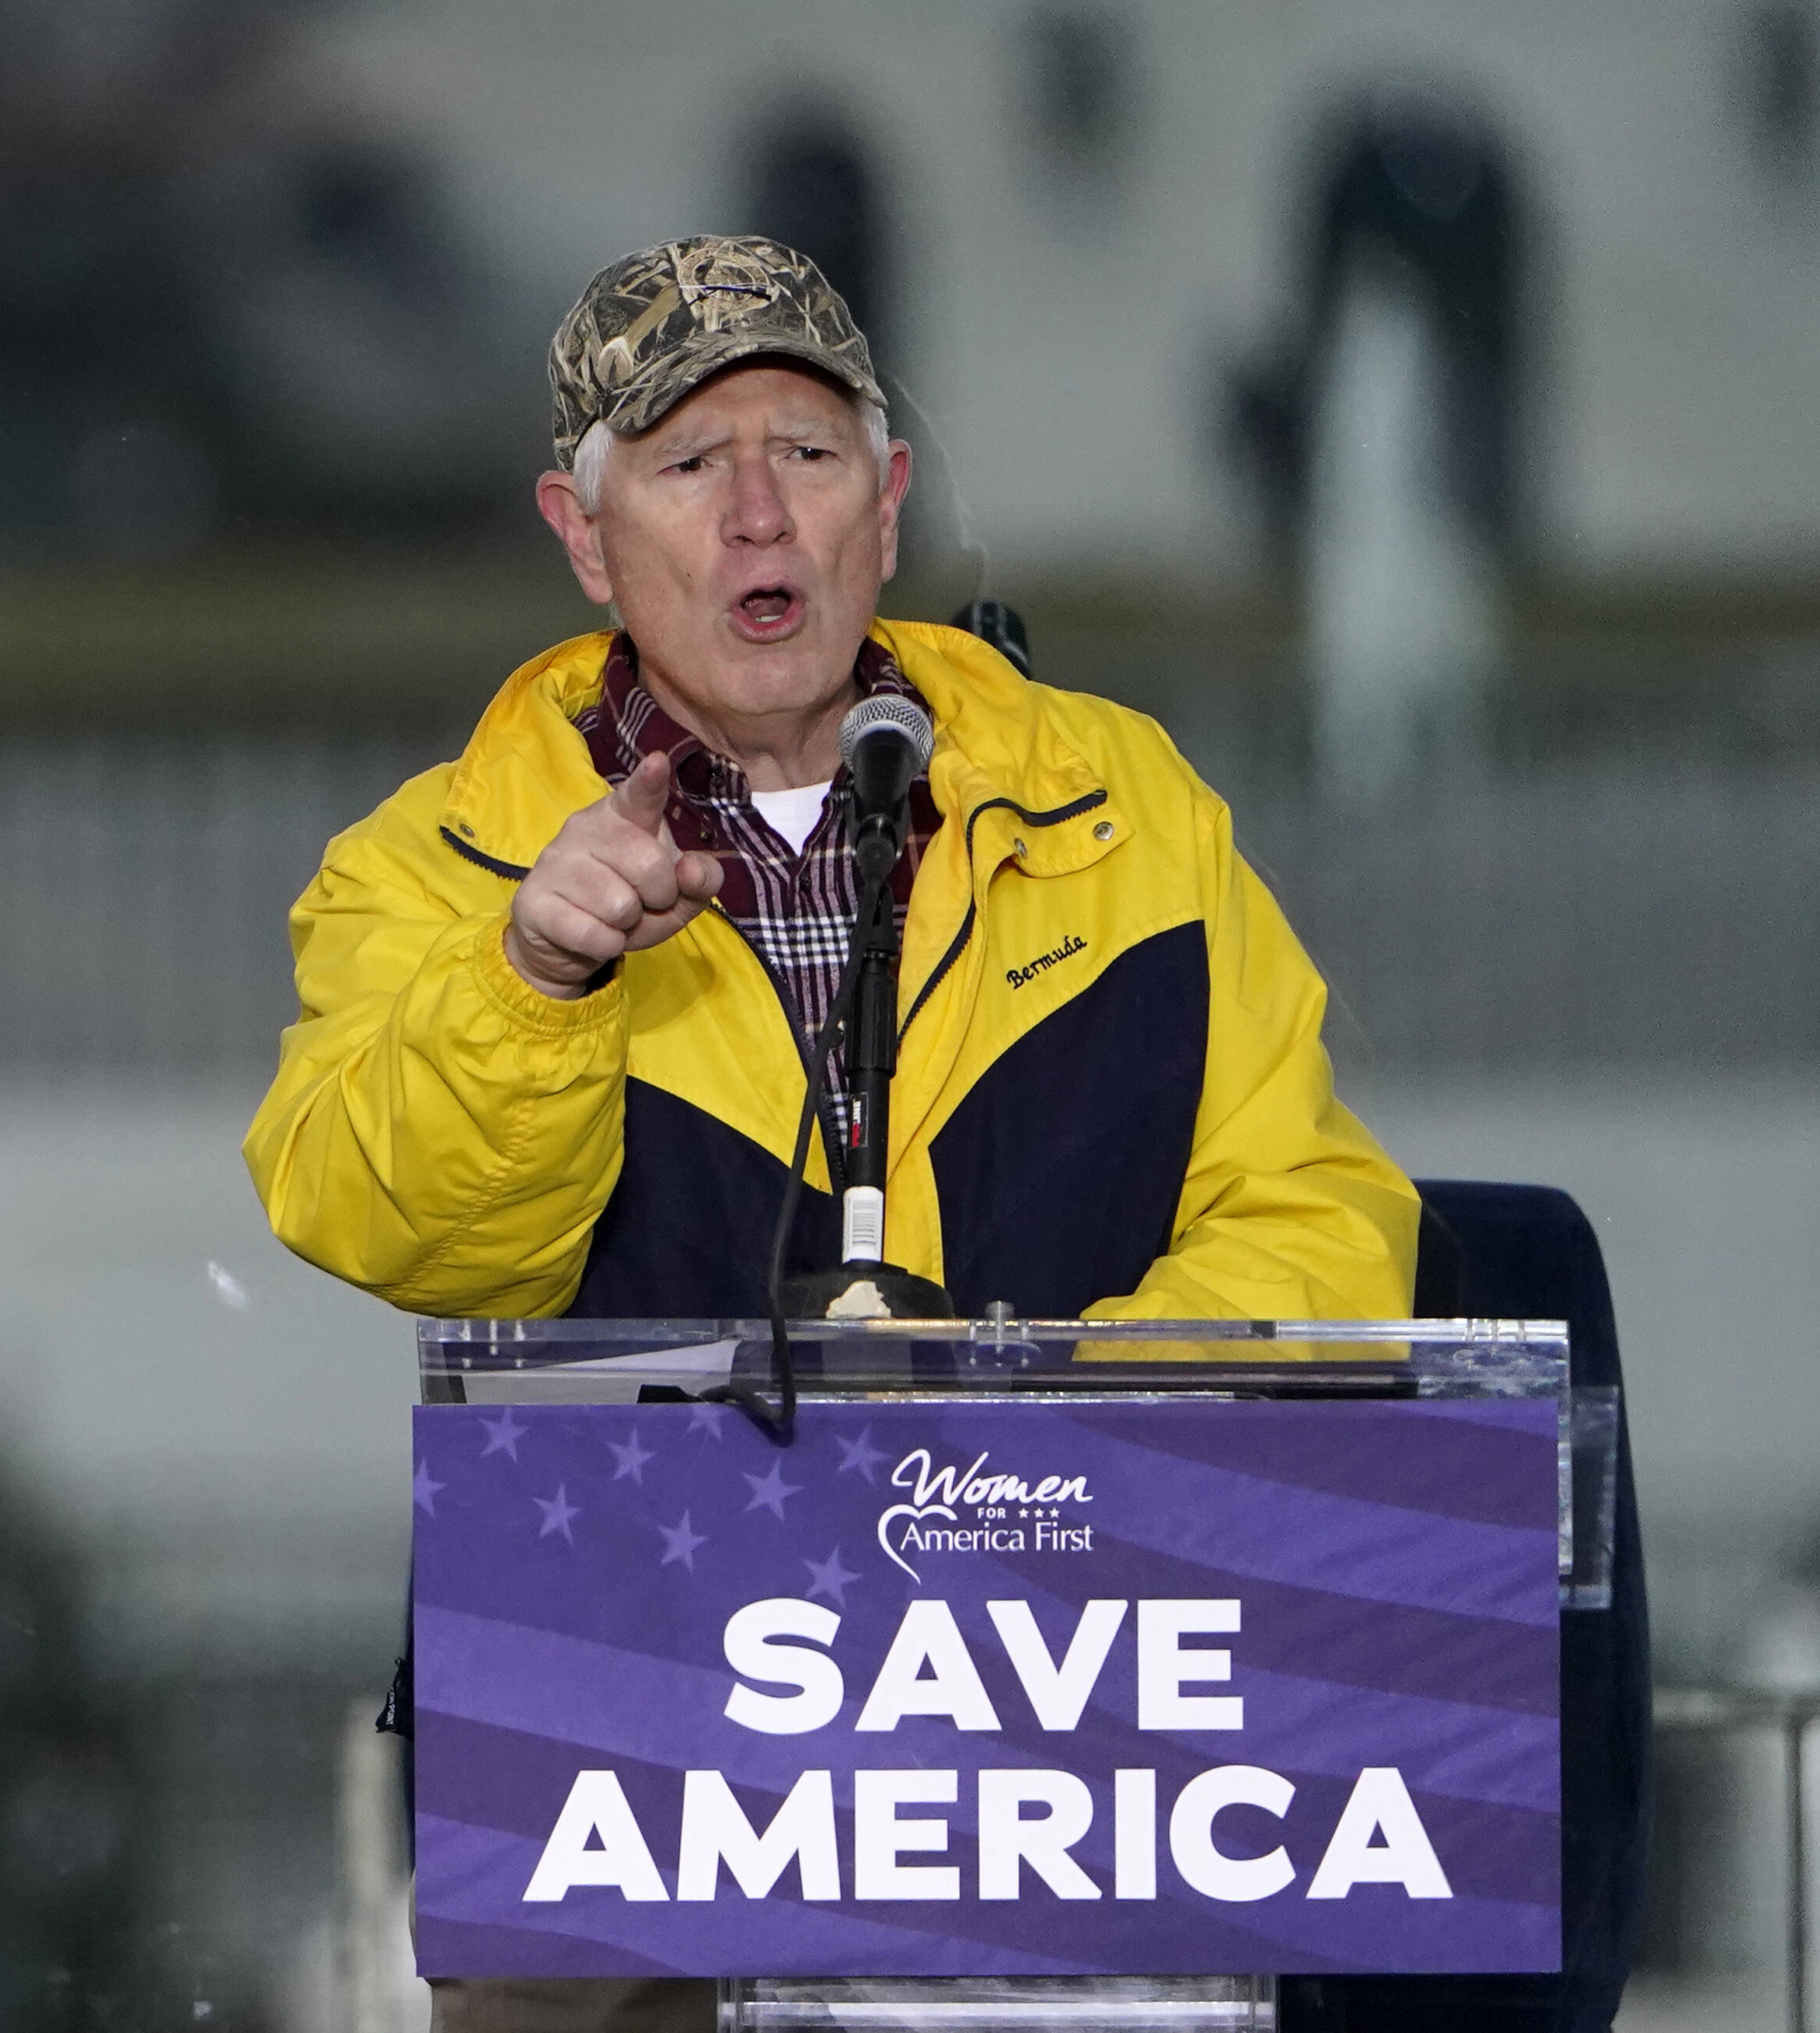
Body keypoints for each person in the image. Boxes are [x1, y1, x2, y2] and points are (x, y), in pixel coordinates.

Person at [241, 237, 1418, 2032]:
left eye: (802, 451)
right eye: (691, 464)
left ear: (889, 499)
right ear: (580, 529)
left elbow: (1319, 1210)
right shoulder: (442, 865)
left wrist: (1052, 1441)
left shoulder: (1133, 808)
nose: (756, 515)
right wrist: (538, 973)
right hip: (637, 1788)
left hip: (1078, 1757)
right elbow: (385, 1219)